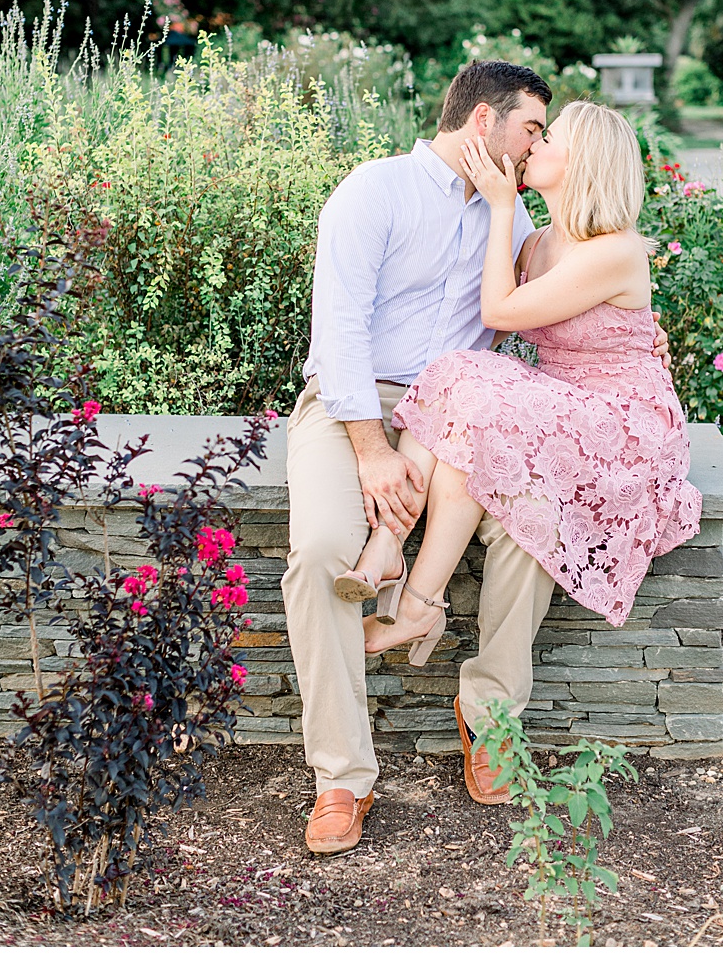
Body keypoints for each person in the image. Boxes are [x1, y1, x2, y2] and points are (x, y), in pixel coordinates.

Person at [283, 64, 672, 857]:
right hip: (356, 405)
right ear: (486, 120)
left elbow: (553, 309)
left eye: (546, 139)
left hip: (460, 415)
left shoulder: (518, 218)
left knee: (531, 522)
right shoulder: (376, 190)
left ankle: (491, 715)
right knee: (322, 551)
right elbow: (339, 335)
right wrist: (369, 451)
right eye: (533, 129)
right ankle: (341, 778)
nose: (535, 147)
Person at [362, 101, 701, 680]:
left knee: (468, 382)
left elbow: (499, 309)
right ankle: (392, 552)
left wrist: (501, 205)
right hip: (566, 402)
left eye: (549, 139)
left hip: (622, 424)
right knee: (461, 386)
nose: (533, 146)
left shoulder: (615, 250)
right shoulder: (536, 243)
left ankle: (414, 599)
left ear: (583, 161)